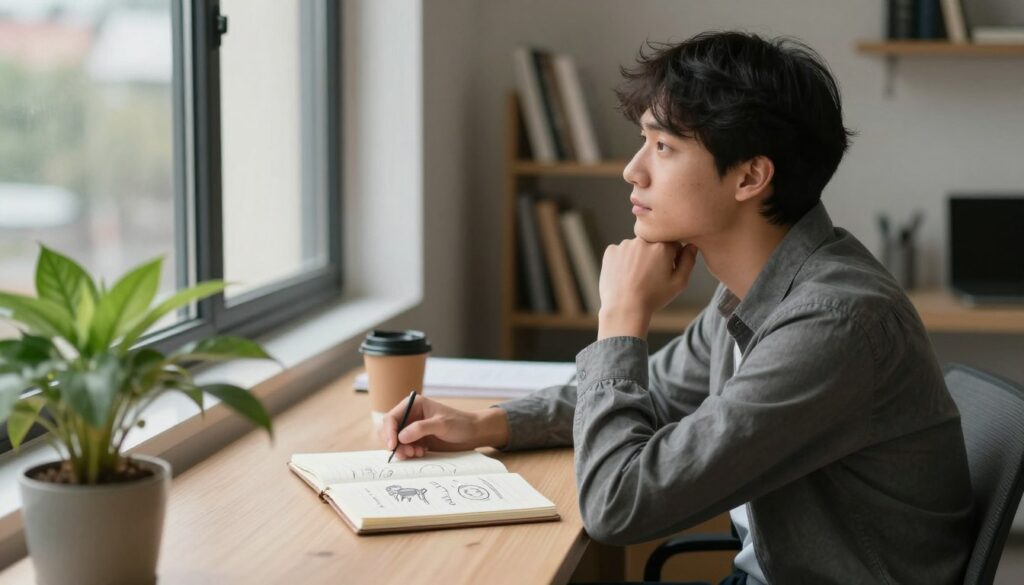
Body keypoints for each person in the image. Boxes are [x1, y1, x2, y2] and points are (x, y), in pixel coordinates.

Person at [379, 31, 974, 584]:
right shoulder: (756, 289)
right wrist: (488, 424)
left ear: (749, 177)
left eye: (663, 146)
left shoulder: (832, 324)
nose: (631, 170)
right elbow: (659, 393)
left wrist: (620, 319)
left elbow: (620, 506)